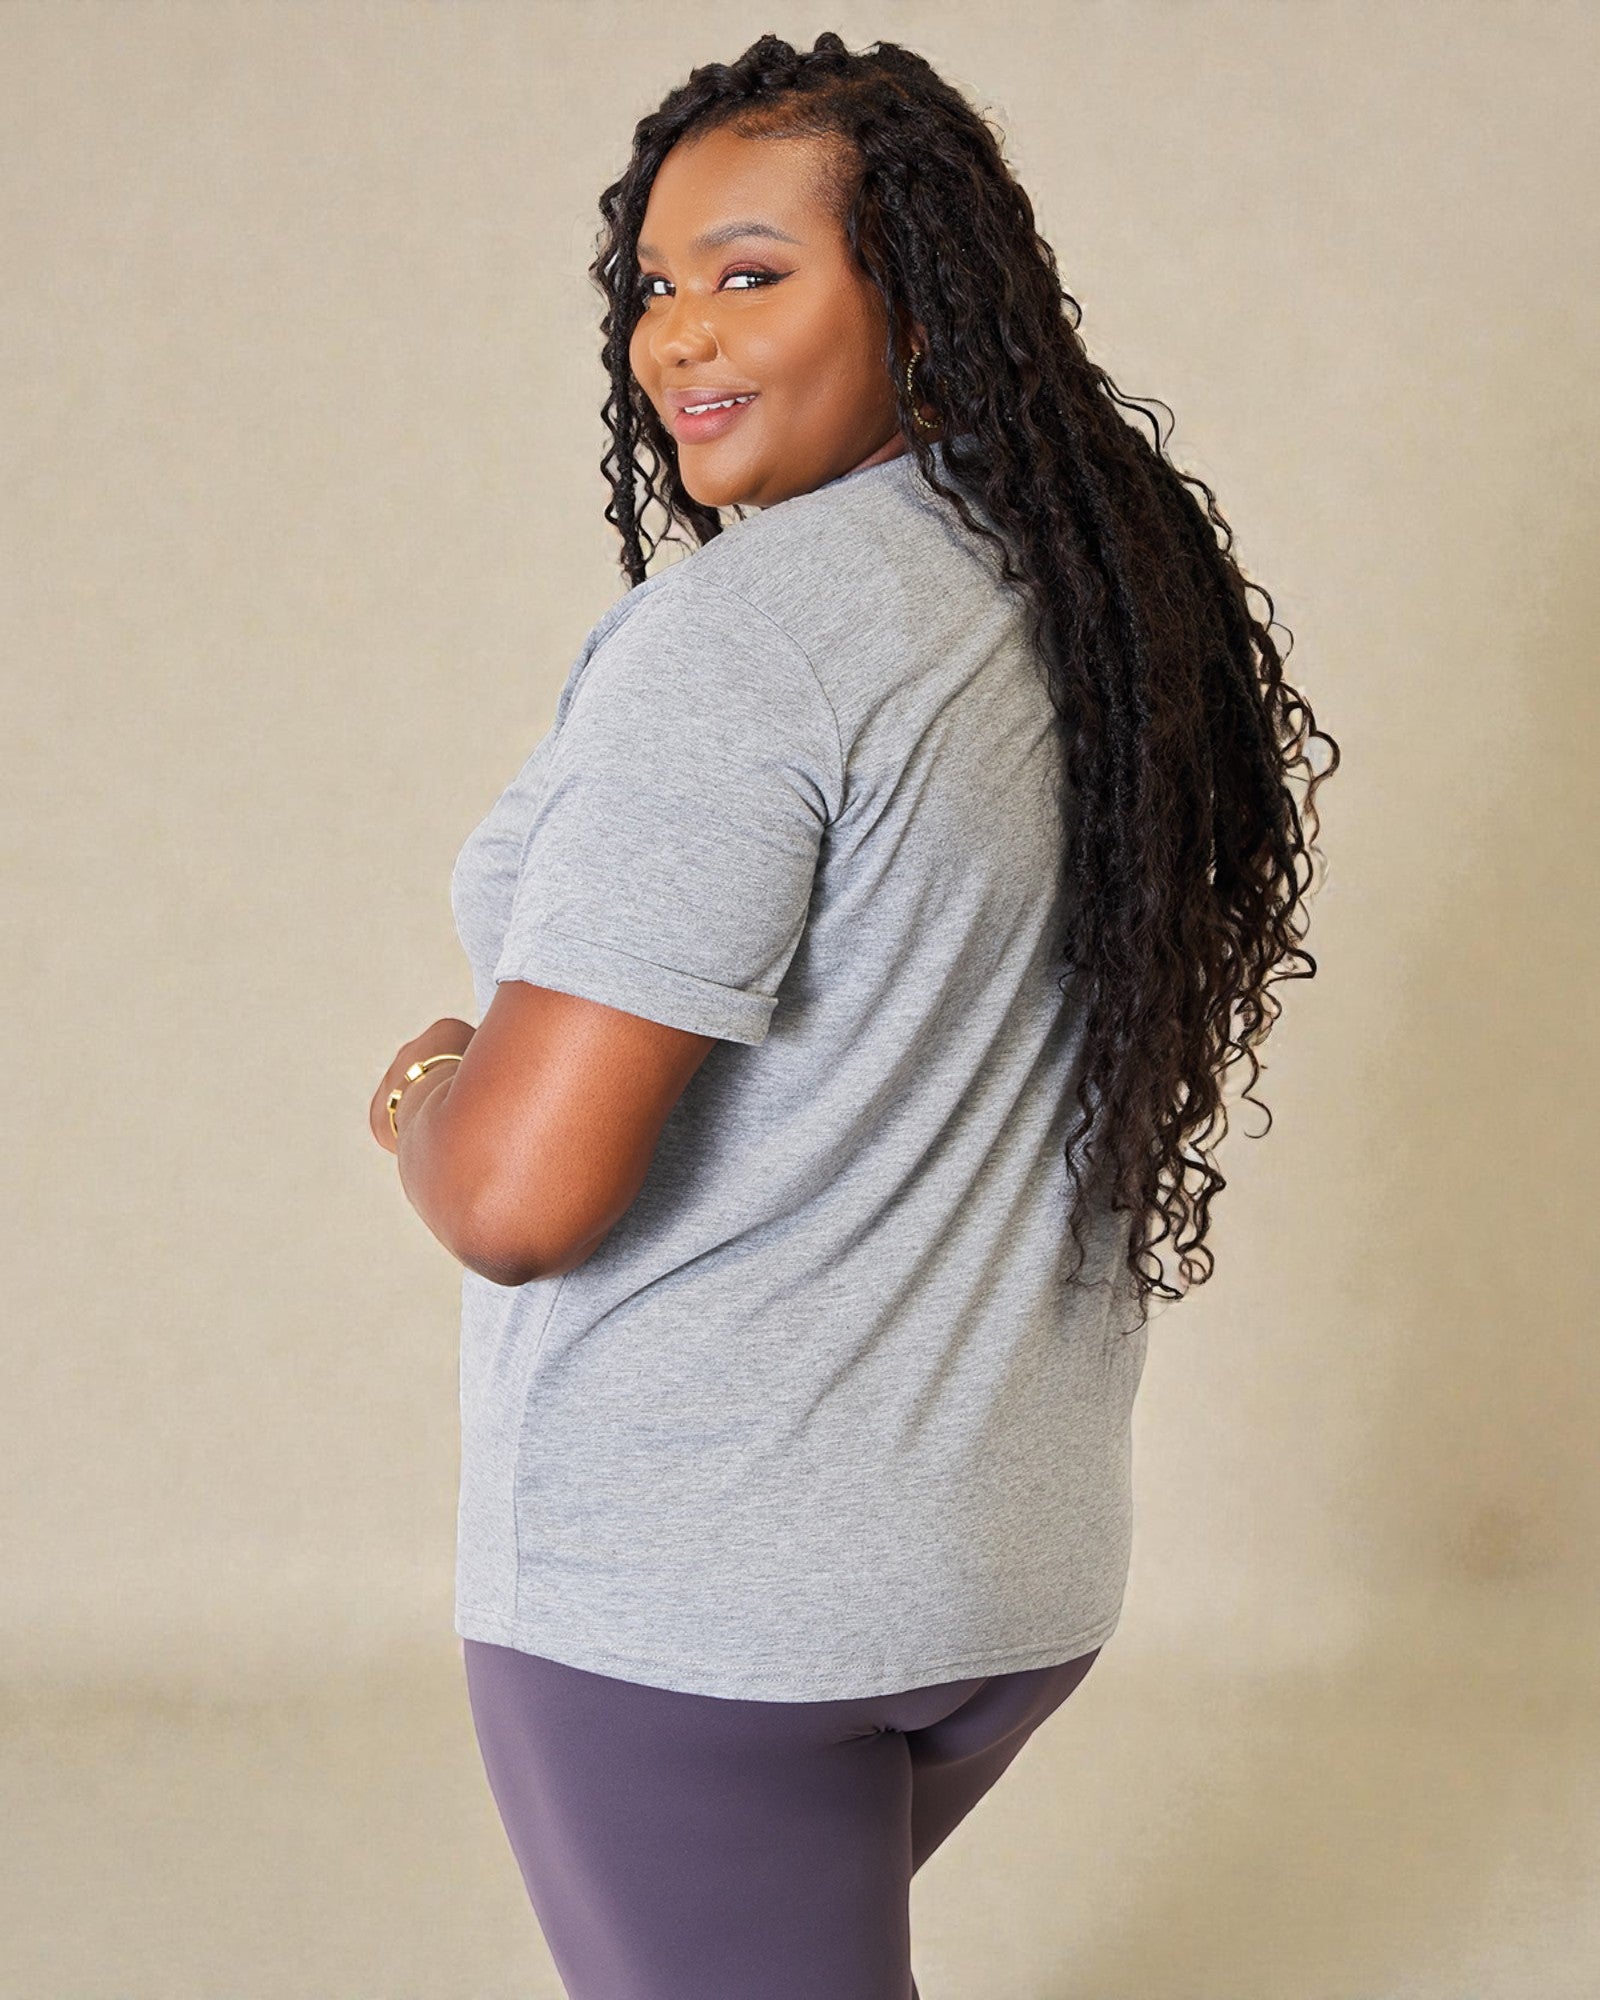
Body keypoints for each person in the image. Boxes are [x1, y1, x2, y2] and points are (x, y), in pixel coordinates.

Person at [368, 31, 1339, 2000]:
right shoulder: (1091, 592)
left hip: (704, 1601)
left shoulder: (744, 645)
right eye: (653, 285)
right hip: (1002, 1566)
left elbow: (521, 1199)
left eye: (750, 271)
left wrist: (425, 1096)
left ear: (915, 286)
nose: (677, 338)